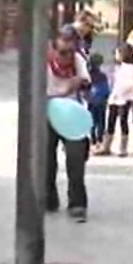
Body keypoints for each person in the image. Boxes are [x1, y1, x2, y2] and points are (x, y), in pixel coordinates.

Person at [46, 35, 91, 222]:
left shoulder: (78, 60)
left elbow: (86, 80)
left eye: (71, 52)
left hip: (72, 112)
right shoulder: (44, 63)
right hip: (48, 110)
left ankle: (77, 203)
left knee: (76, 158)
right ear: (53, 51)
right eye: (63, 52)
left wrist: (79, 83)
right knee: (46, 159)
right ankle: (48, 198)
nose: (67, 57)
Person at [95, 44, 133, 157]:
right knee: (111, 121)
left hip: (125, 98)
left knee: (123, 121)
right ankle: (106, 145)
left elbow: (132, 83)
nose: (116, 56)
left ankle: (123, 147)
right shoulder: (118, 67)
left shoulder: (131, 68)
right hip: (115, 97)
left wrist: (122, 91)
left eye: (117, 53)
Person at [86, 52, 109, 152]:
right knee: (101, 122)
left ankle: (93, 140)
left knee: (92, 122)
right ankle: (100, 140)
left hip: (91, 101)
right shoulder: (103, 76)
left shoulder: (87, 75)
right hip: (101, 102)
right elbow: (106, 90)